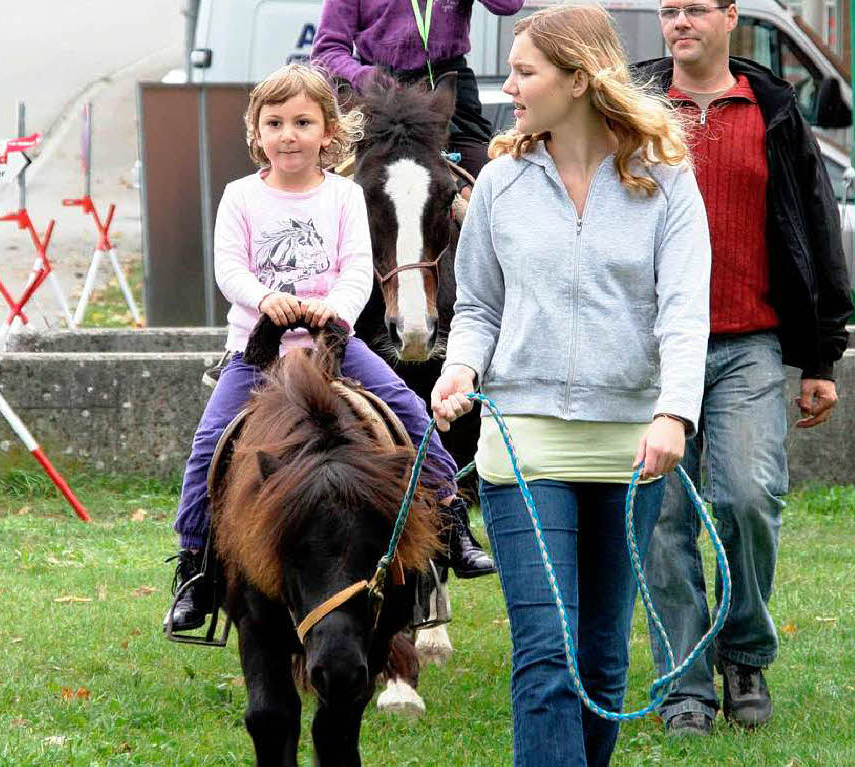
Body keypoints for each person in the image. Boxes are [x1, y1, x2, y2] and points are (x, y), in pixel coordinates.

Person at [430, 6, 711, 764]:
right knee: (547, 657)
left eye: (526, 72)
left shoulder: (668, 183)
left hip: (632, 449)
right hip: (525, 444)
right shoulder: (499, 184)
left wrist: (673, 413)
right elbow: (480, 306)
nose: (509, 86)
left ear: (580, 79)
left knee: (600, 662)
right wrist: (462, 367)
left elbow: (684, 313)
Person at [167, 64, 493, 633]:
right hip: (260, 347)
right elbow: (229, 269)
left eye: (302, 122)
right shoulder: (240, 196)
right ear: (257, 132)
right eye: (275, 122)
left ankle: (452, 518)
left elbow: (357, 269)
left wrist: (334, 310)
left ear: (329, 132)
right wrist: (267, 298)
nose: (288, 134)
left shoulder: (343, 195)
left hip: (332, 341)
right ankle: (194, 563)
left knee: (412, 412)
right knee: (207, 444)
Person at [635, 0, 854, 737]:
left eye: (696, 9)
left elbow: (815, 229)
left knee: (749, 495)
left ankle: (746, 653)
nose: (680, 23)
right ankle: (684, 685)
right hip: (653, 350)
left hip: (748, 341)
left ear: (732, 17)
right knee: (661, 518)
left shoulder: (773, 108)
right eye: (669, 11)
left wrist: (819, 354)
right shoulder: (633, 107)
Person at [310, 0, 524, 179]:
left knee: (488, 176)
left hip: (447, 89)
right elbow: (327, 51)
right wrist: (363, 76)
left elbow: (509, 5)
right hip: (380, 95)